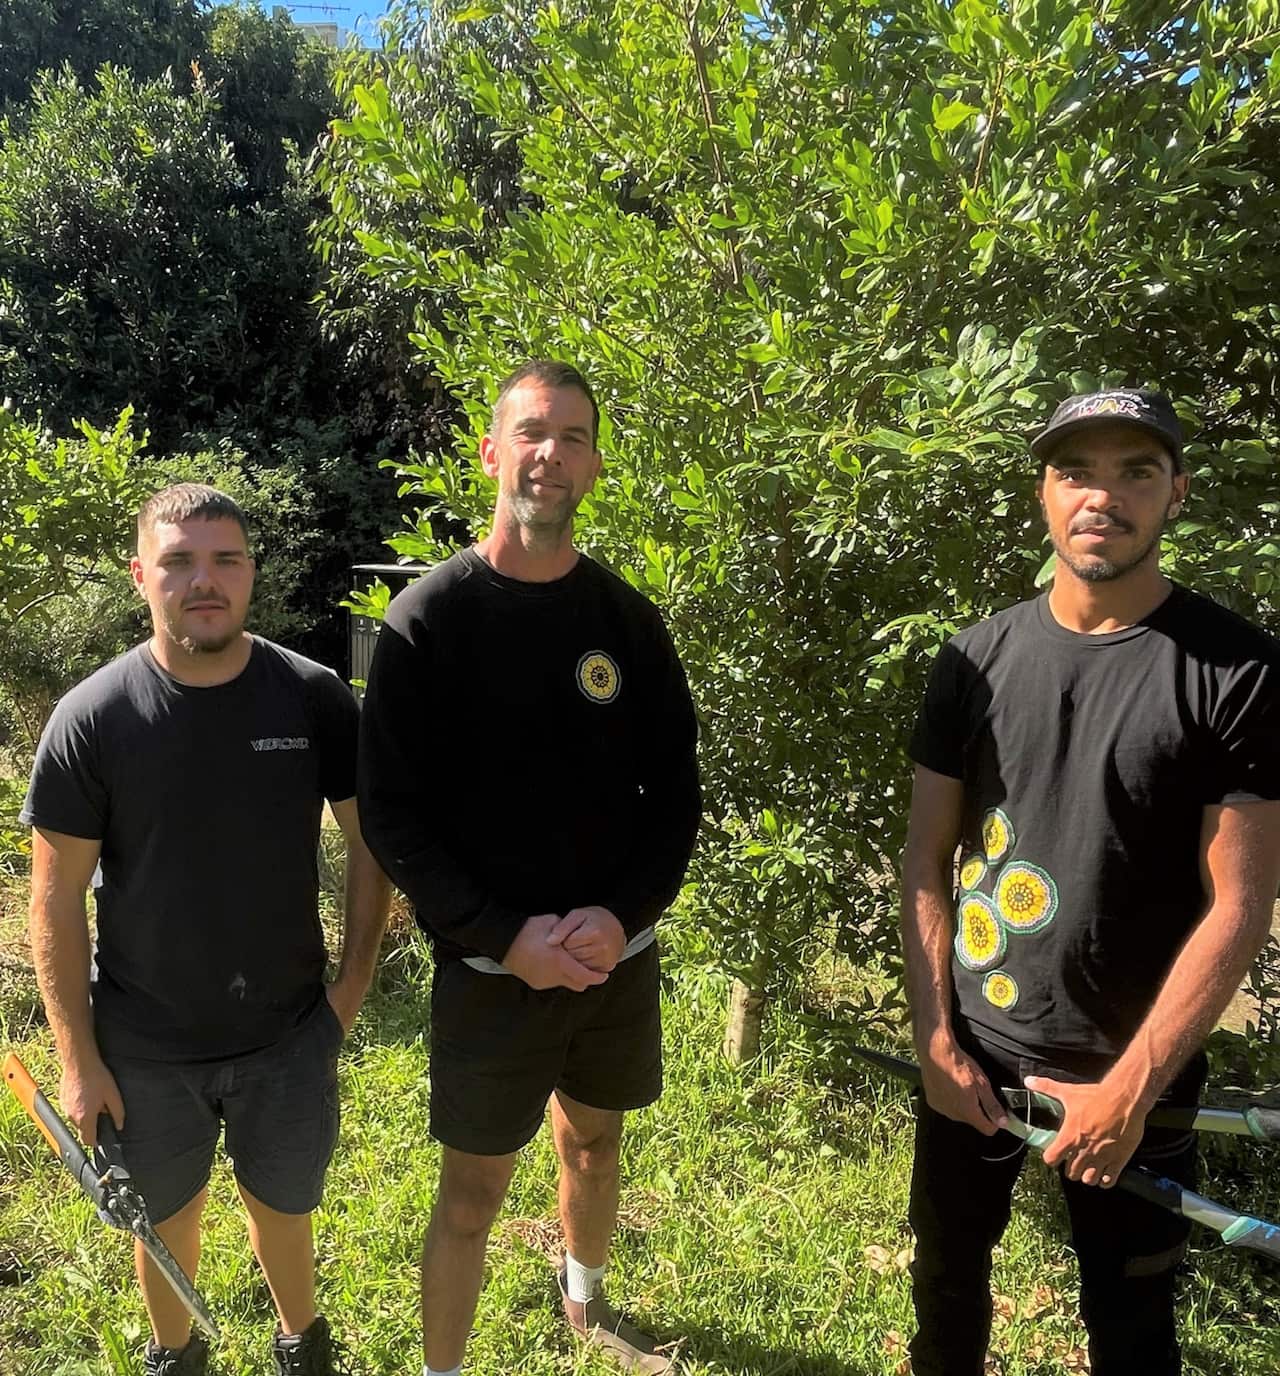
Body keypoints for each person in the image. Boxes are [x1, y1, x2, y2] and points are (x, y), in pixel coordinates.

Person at [899, 389, 1280, 1375]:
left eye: (1133, 471)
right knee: (944, 1291)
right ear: (1041, 492)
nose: (1099, 495)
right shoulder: (970, 661)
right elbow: (924, 861)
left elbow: (1239, 903)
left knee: (1130, 1326)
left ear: (1175, 494)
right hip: (973, 1057)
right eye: (1075, 470)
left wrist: (1127, 1088)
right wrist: (935, 1040)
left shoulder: (1236, 671)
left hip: (1130, 1081)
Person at [358, 360, 700, 1376]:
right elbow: (393, 815)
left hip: (611, 959)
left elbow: (672, 799)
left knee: (594, 1141)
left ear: (593, 465)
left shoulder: (627, 624)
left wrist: (621, 911)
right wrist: (505, 934)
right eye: (533, 432)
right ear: (492, 452)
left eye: (574, 437)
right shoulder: (426, 622)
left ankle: (584, 1300)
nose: (552, 454)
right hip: (489, 970)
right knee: (470, 1194)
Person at [22, 484, 392, 1376]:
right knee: (165, 1216)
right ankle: (175, 1354)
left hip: (289, 1032)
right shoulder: (94, 719)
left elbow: (369, 849)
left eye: (225, 559)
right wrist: (78, 1059)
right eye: (180, 561)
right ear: (140, 573)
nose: (205, 581)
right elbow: (54, 900)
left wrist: (349, 990)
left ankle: (303, 1346)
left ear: (251, 573)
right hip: (145, 1045)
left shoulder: (310, 698)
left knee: (285, 1202)